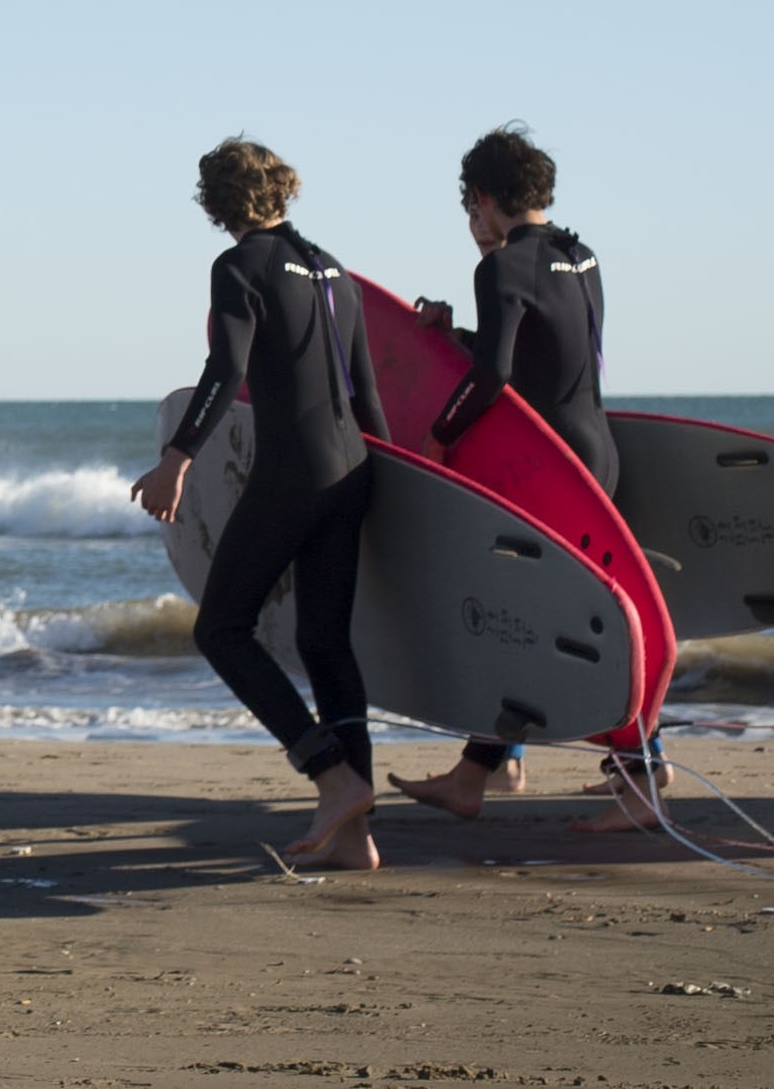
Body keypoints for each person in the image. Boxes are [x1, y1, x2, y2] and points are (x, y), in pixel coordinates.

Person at [132, 139, 388, 871]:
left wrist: (175, 457)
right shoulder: (338, 272)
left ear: (217, 204)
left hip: (294, 472)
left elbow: (227, 367)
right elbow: (366, 395)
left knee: (221, 627)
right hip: (356, 471)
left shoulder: (238, 266)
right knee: (326, 643)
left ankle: (330, 773)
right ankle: (355, 837)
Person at [392, 126, 649, 829]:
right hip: (598, 453)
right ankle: (487, 769)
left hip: (548, 469)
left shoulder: (502, 267)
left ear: (482, 198)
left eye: (469, 210)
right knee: (557, 616)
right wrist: (454, 335)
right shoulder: (580, 254)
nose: (472, 226)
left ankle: (640, 783)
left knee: (536, 619)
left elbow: (497, 378)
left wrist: (441, 434)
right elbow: (550, 357)